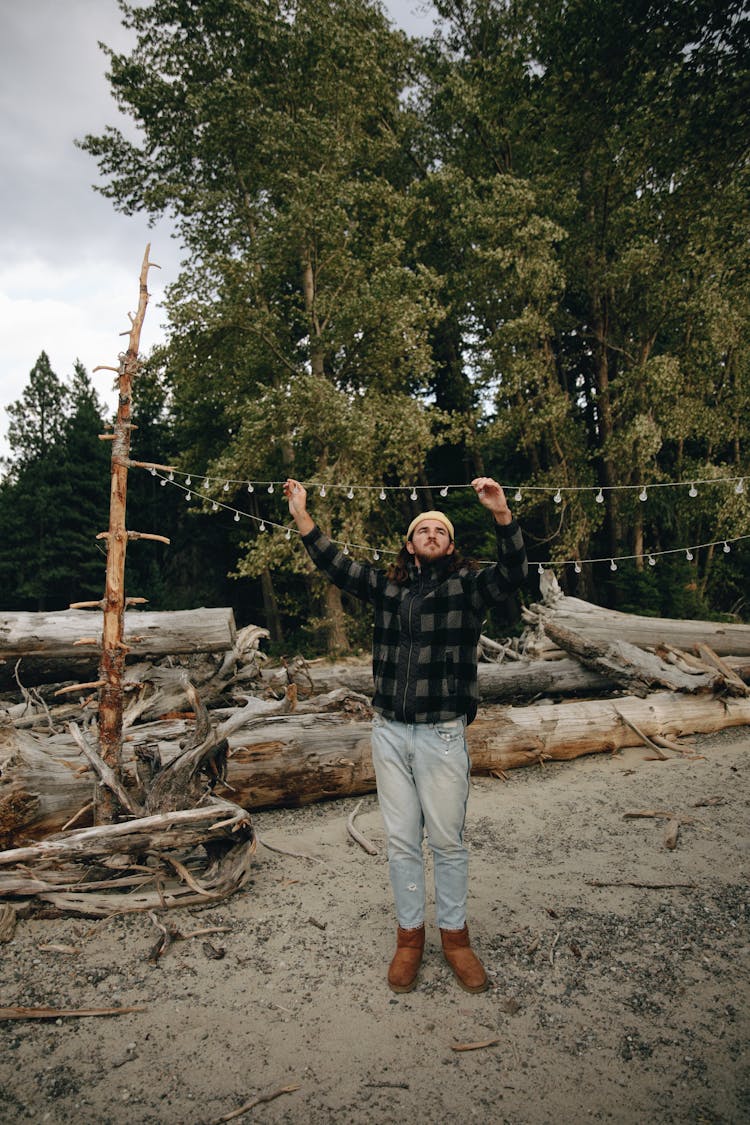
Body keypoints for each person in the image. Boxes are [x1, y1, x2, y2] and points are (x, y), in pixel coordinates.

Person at [283, 476, 528, 993]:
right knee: (400, 841)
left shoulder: (469, 586)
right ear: (411, 544)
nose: (433, 534)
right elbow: (336, 565)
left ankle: (456, 938)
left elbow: (513, 572)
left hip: (442, 733)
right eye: (425, 529)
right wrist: (302, 514)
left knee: (447, 841)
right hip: (389, 731)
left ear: (451, 543)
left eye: (442, 529)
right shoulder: (389, 588)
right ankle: (410, 938)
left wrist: (502, 514)